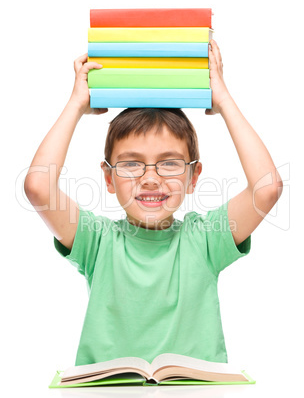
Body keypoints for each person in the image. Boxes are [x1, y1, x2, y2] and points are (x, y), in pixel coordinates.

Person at [24, 40, 283, 366]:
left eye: (170, 163)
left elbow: (267, 189)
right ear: (108, 178)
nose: (150, 178)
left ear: (193, 177)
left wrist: (224, 101)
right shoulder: (97, 240)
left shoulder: (205, 239)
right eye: (131, 164)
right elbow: (38, 187)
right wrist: (76, 105)